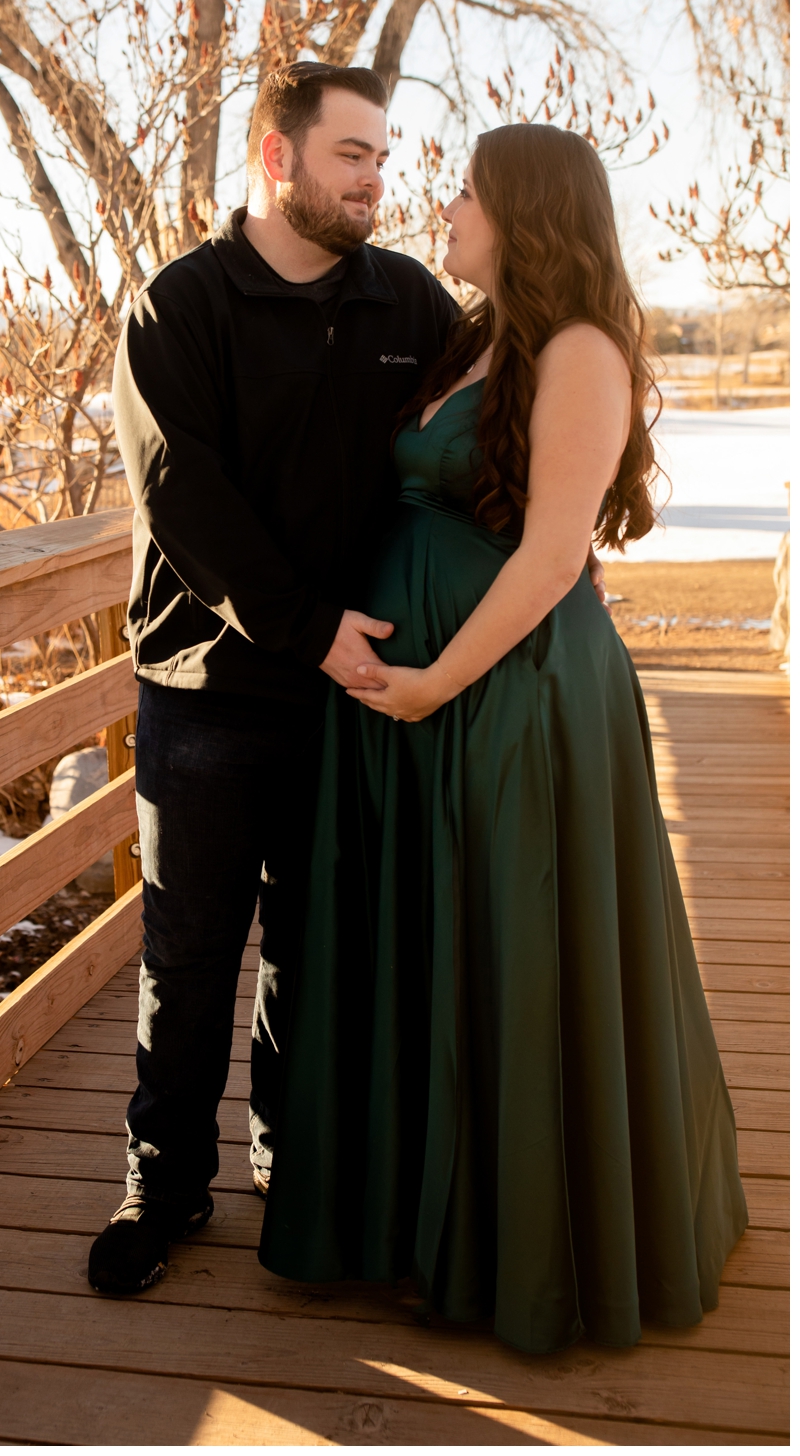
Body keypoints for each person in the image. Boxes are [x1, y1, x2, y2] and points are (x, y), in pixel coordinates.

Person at [260, 125, 747, 1353]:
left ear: (524, 212)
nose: (450, 204)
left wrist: (433, 686)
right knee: (439, 943)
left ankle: (523, 1251)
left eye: (470, 189)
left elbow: (549, 558)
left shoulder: (581, 352)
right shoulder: (479, 336)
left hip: (511, 692)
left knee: (515, 949)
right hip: (425, 697)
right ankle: (423, 1225)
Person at [87, 62, 460, 1295]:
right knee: (189, 950)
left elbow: (486, 437)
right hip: (206, 694)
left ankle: (291, 1162)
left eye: (383, 156)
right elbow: (183, 498)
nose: (375, 178)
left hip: (354, 693)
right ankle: (163, 1182)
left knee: (314, 946)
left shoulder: (407, 298)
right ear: (276, 156)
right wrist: (311, 629)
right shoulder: (178, 306)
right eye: (353, 153)